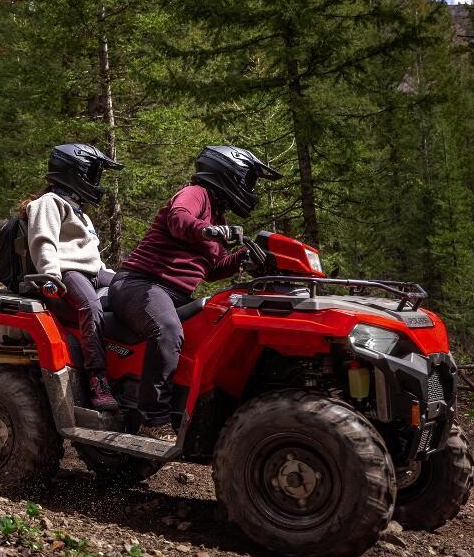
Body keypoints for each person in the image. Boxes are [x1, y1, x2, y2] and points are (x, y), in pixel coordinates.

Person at [108, 145, 281, 440]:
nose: (250, 189)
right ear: (229, 174)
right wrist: (209, 230)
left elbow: (211, 269)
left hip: (173, 294)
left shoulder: (218, 217)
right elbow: (179, 219)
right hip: (141, 284)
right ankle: (153, 419)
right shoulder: (195, 193)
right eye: (248, 180)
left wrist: (242, 258)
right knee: (166, 330)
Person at [24, 143, 123, 410]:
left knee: (132, 289)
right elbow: (43, 241)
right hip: (68, 272)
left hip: (94, 272)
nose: (96, 181)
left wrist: (116, 275)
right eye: (92, 174)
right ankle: (98, 379)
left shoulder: (78, 209)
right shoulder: (48, 203)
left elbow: (90, 252)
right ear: (75, 172)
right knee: (91, 307)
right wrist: (50, 276)